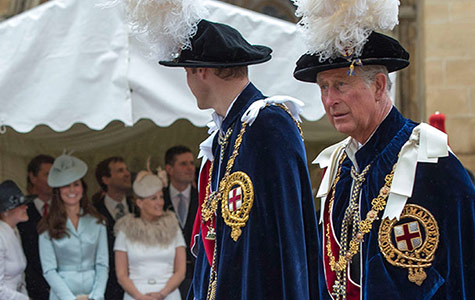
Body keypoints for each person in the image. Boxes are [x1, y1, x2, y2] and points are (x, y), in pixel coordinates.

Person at [292, 0, 475, 298]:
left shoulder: (430, 160)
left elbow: (464, 272)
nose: (330, 99)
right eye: (323, 87)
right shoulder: (340, 166)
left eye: (340, 84)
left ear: (378, 86)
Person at [38, 154, 109, 300]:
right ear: (58, 191)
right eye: (66, 185)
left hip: (93, 294)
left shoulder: (97, 221)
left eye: (76, 184)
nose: (72, 190)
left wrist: (96, 296)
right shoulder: (47, 225)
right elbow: (49, 270)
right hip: (62, 295)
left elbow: (102, 265)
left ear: (83, 188)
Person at [114, 168, 186, 300]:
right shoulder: (125, 229)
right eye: (153, 199)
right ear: (139, 203)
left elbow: (180, 271)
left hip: (169, 294)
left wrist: (162, 294)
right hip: (135, 295)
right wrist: (140, 297)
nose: (160, 203)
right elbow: (121, 275)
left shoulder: (173, 227)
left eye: (161, 197)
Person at [94, 156, 133, 300]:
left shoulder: (138, 207)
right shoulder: (95, 211)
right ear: (105, 179)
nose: (127, 174)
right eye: (120, 171)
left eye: (126, 170)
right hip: (109, 288)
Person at [163, 146, 198, 299]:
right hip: (166, 276)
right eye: (183, 164)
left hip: (197, 274)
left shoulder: (204, 197)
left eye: (191, 163)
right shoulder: (157, 200)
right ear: (169, 169)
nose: (190, 168)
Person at [18, 154, 54, 300]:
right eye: (47, 174)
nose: (52, 179)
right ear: (33, 177)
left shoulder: (64, 210)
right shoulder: (21, 213)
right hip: (35, 290)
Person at [0, 180, 35, 300]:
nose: (26, 207)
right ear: (5, 211)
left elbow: (20, 279)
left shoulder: (14, 231)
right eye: (19, 205)